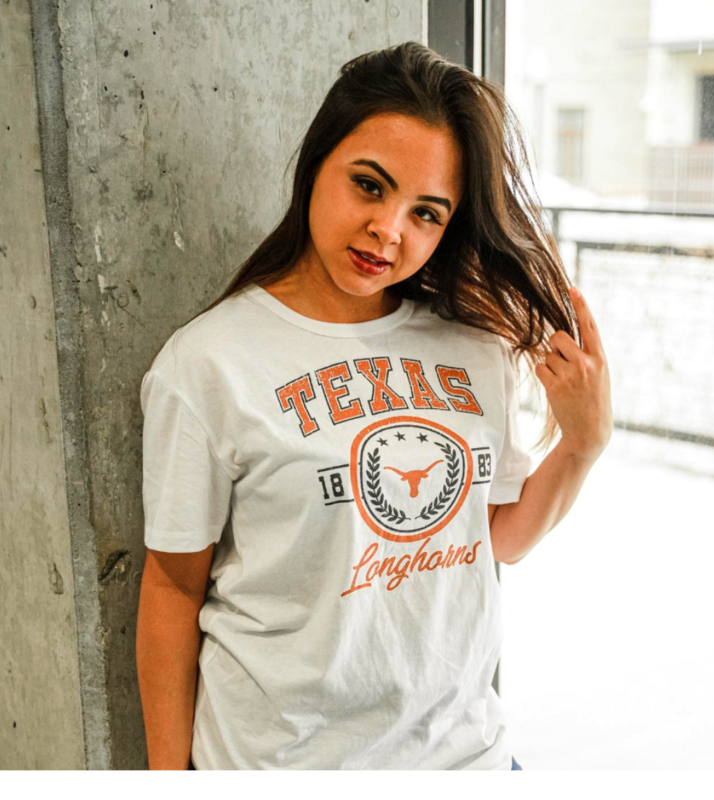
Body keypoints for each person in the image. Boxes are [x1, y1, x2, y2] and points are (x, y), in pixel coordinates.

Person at [136, 41, 611, 771]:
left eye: (427, 213)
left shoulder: (475, 348)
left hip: (469, 753)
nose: (390, 231)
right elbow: (171, 588)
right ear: (316, 164)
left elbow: (496, 540)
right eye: (369, 186)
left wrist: (581, 445)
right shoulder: (208, 365)